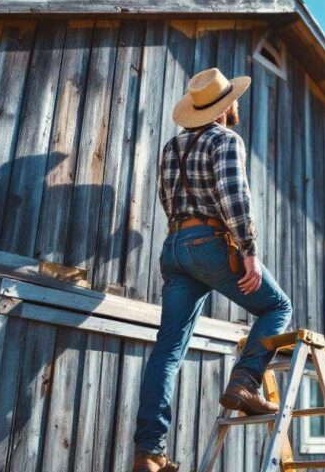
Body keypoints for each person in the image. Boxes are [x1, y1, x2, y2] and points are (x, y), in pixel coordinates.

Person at [132, 68, 293, 472]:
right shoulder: (225, 139)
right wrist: (250, 251)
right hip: (211, 242)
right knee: (277, 308)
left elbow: (167, 202)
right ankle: (244, 383)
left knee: (167, 350)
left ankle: (149, 451)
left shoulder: (171, 148)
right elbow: (234, 196)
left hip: (173, 247)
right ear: (225, 107)